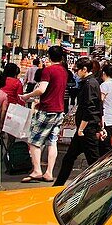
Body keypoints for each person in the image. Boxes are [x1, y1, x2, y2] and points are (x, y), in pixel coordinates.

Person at [22, 45, 69, 182]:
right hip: (59, 110)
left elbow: (42, 89)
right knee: (52, 142)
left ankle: (37, 170)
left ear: (49, 56)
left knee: (34, 141)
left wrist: (27, 96)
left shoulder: (48, 71)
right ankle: (49, 172)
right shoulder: (64, 71)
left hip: (47, 110)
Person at [54, 58, 103, 185]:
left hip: (86, 129)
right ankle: (58, 185)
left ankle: (102, 186)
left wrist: (81, 129)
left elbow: (90, 107)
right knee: (69, 158)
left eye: (77, 70)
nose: (75, 73)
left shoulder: (89, 84)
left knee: (94, 161)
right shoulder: (91, 83)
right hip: (85, 128)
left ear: (84, 69)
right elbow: (98, 106)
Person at [0, 63, 25, 130]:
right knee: (11, 131)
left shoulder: (0, 80)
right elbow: (20, 98)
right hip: (12, 110)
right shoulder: (17, 82)